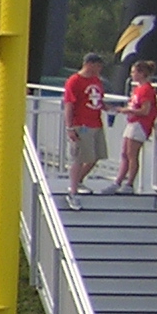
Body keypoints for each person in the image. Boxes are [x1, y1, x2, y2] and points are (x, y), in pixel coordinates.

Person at [62, 52, 108, 208]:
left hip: (96, 123)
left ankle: (80, 180)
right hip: (81, 125)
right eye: (98, 66)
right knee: (78, 158)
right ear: (89, 64)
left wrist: (111, 109)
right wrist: (69, 127)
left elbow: (98, 100)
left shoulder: (97, 81)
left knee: (95, 156)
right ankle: (73, 191)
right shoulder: (74, 81)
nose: (100, 69)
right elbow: (69, 105)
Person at [112, 60, 157, 194]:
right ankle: (118, 181)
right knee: (125, 153)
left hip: (140, 124)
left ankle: (129, 183)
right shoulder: (138, 89)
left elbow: (145, 110)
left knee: (132, 154)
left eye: (134, 72)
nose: (131, 74)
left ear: (142, 73)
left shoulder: (147, 90)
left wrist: (127, 111)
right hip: (132, 122)